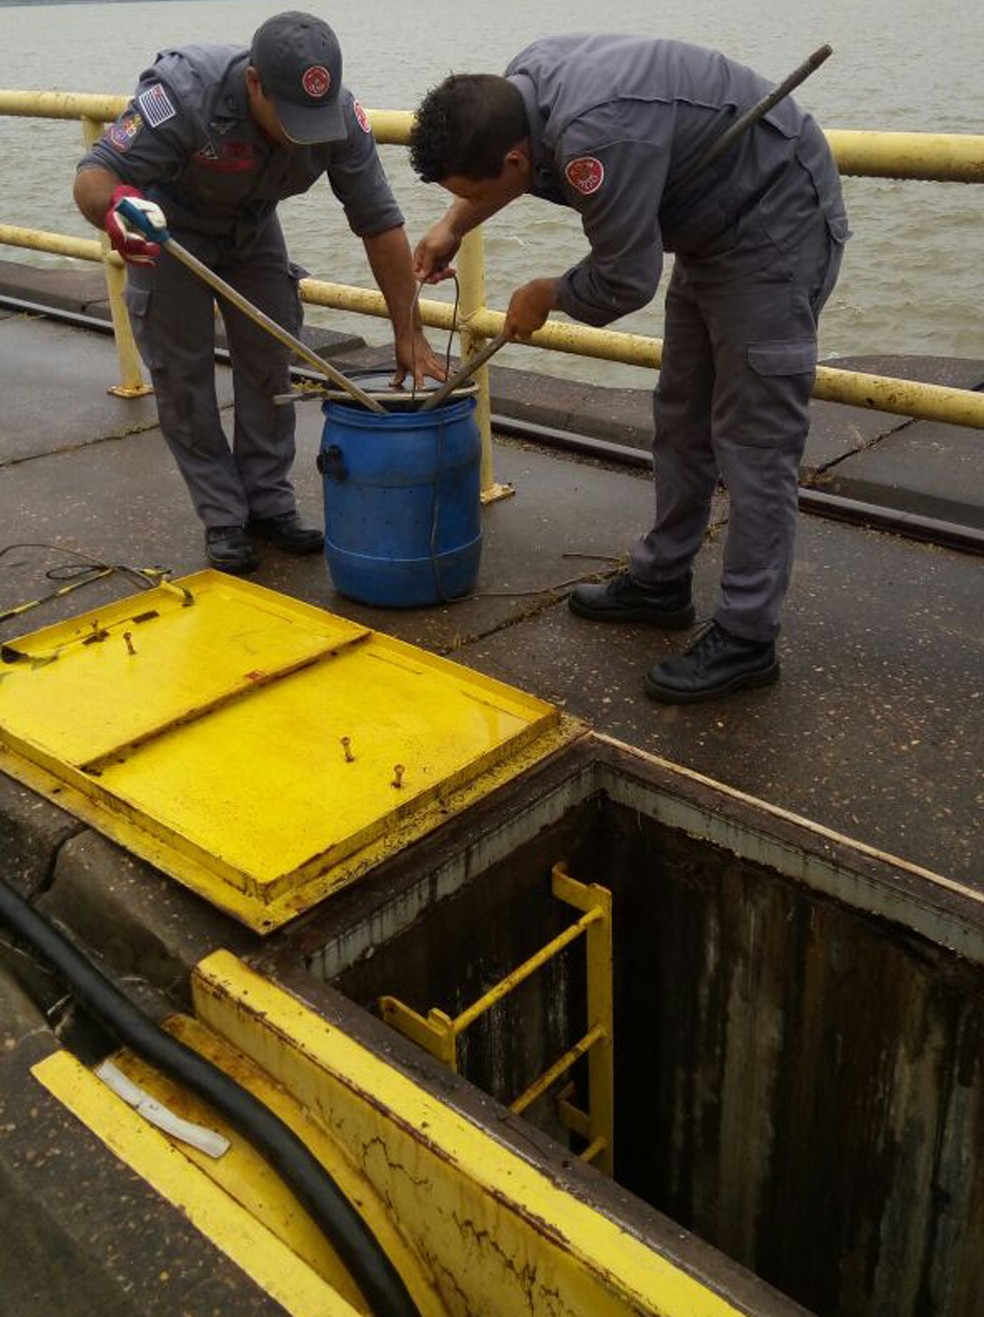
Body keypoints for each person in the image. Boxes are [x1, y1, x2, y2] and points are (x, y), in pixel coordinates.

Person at [409, 34, 849, 703]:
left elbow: (628, 277)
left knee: (754, 443)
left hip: (774, 223)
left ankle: (748, 637)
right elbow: (505, 173)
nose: (470, 199)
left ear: (515, 157)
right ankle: (662, 582)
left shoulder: (598, 142)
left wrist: (547, 293)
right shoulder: (519, 89)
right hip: (710, 226)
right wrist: (452, 227)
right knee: (679, 416)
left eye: (472, 191)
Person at [74, 10, 445, 575]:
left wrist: (408, 329)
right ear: (254, 83)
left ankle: (269, 504)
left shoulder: (340, 115)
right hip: (166, 230)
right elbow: (95, 173)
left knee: (271, 362)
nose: (304, 132)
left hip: (252, 228)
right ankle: (223, 516)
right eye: (290, 117)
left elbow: (378, 221)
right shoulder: (181, 94)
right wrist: (116, 210)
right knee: (183, 378)